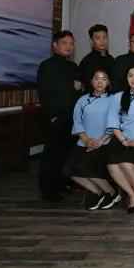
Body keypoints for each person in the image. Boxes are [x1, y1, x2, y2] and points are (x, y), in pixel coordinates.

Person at [65, 69, 119, 210]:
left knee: (86, 167)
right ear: (91, 81)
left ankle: (112, 192)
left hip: (105, 143)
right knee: (68, 170)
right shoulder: (82, 100)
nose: (100, 82)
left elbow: (114, 123)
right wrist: (87, 140)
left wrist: (99, 141)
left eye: (104, 79)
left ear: (108, 82)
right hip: (84, 141)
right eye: (96, 78)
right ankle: (97, 192)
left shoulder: (113, 100)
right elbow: (77, 122)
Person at [37, 30, 81, 202]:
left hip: (72, 118)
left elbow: (77, 91)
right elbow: (44, 94)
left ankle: (60, 184)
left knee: (65, 155)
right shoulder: (46, 66)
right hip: (55, 118)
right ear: (55, 45)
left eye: (71, 43)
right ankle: (48, 190)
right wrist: (52, 116)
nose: (68, 46)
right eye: (64, 43)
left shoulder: (73, 67)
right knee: (52, 156)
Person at [106, 65, 134, 213]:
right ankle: (132, 194)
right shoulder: (117, 97)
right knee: (112, 165)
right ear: (126, 79)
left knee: (126, 162)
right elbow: (113, 122)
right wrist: (123, 140)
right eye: (130, 75)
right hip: (122, 138)